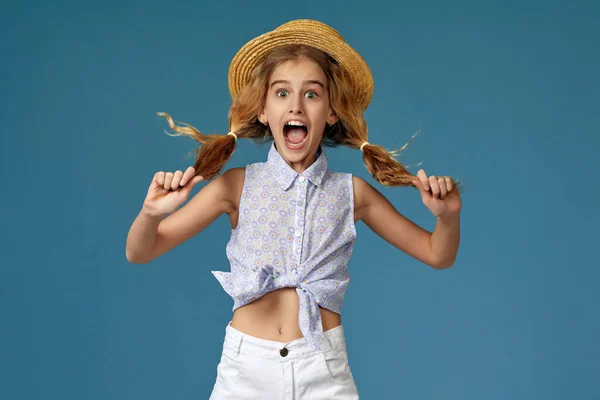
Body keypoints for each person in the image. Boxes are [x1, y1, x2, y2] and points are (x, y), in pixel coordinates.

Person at [126, 19, 462, 400]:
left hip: (324, 371)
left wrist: (447, 216)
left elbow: (438, 254)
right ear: (263, 111)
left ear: (331, 113)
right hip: (245, 372)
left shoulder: (352, 193)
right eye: (282, 93)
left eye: (312, 95)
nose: (296, 105)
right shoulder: (236, 185)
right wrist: (151, 214)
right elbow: (141, 251)